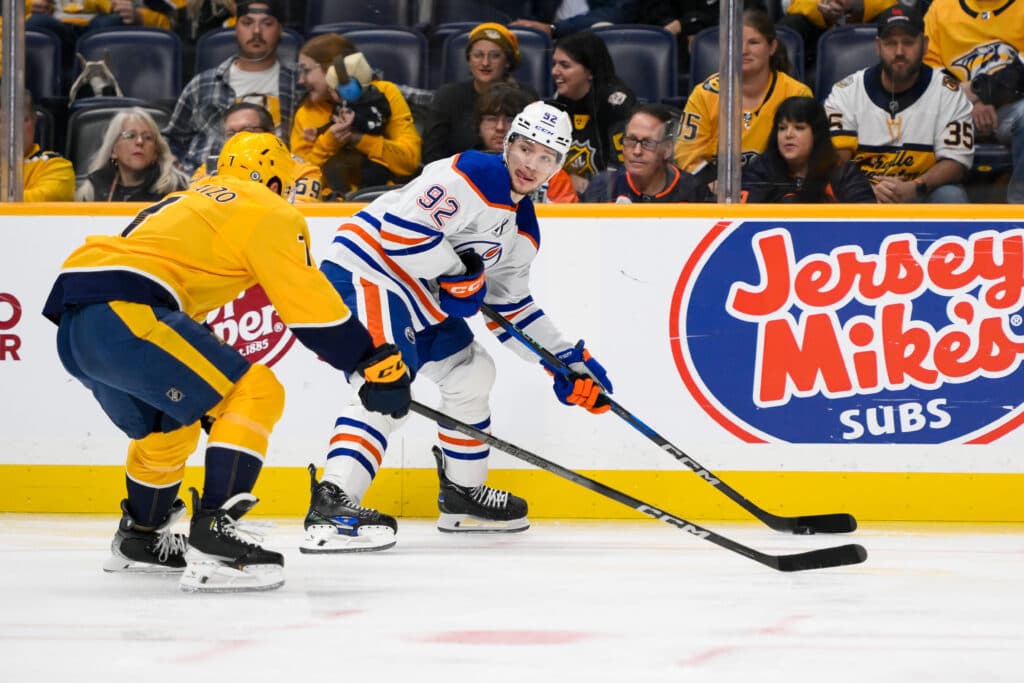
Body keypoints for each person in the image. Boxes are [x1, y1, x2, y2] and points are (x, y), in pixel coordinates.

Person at [41, 132, 412, 592]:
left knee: (169, 425)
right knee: (256, 389)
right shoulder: (267, 209)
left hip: (77, 321)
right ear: (275, 179)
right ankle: (215, 535)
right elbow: (311, 307)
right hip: (126, 310)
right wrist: (372, 361)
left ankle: (140, 536)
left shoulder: (193, 198)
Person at [303, 101, 614, 553]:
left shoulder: (524, 231)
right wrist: (457, 271)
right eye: (525, 148)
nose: (531, 164)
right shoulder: (469, 176)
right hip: (370, 270)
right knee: (388, 378)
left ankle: (463, 496)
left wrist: (566, 361)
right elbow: (401, 235)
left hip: (420, 300)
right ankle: (333, 505)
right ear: (508, 144)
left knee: (472, 372)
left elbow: (512, 310)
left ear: (558, 166)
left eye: (546, 157)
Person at [824, 5, 974, 203]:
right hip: (861, 193)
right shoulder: (846, 92)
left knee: (951, 196)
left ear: (925, 44)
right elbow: (836, 160)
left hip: (921, 191)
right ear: (878, 46)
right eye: (890, 43)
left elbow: (956, 163)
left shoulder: (949, 93)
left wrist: (916, 186)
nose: (899, 51)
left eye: (908, 42)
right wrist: (863, 189)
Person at [674, 8, 811, 187]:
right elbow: (687, 153)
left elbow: (804, 158)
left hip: (776, 193)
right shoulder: (705, 93)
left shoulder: (796, 94)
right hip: (714, 193)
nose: (743, 50)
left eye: (753, 42)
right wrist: (711, 183)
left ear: (772, 47)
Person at [163, 0, 300, 175]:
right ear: (236, 28)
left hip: (274, 182)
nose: (256, 31)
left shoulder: (298, 82)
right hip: (206, 183)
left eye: (267, 23)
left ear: (280, 29)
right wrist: (174, 163)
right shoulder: (203, 83)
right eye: (247, 23)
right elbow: (172, 138)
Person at [292, 33, 421, 197]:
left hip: (381, 200)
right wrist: (329, 141)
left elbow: (409, 161)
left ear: (334, 69)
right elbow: (300, 181)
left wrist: (359, 139)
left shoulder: (384, 94)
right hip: (329, 207)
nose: (300, 80)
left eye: (306, 70)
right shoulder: (306, 113)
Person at [922, 0, 1024, 203]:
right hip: (953, 108)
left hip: (1010, 106)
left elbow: (1021, 73)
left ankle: (1020, 209)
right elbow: (926, 70)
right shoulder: (941, 8)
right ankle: (946, 202)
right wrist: (971, 103)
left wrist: (984, 94)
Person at [421, 22, 536, 165]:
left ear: (507, 61)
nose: (485, 63)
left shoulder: (525, 98)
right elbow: (432, 155)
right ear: (469, 60)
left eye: (495, 56)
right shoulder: (448, 96)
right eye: (478, 55)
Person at [551, 30, 637, 197]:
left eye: (565, 65)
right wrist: (566, 179)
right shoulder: (557, 103)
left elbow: (623, 170)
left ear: (590, 71)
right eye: (554, 64)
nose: (555, 71)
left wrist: (594, 188)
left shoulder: (616, 104)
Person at [742, 96, 876, 203]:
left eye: (799, 128)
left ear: (817, 135)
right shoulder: (760, 172)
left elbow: (866, 224)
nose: (788, 134)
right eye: (782, 128)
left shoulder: (844, 175)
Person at [192, 101, 330, 202]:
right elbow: (193, 204)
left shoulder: (302, 171)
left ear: (271, 134)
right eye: (231, 133)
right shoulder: (209, 169)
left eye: (247, 131)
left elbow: (302, 211)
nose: (238, 138)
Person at [474, 83, 577, 203]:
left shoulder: (554, 178)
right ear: (478, 124)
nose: (500, 127)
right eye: (491, 119)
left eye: (509, 119)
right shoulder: (468, 168)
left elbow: (569, 219)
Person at [604, 103, 711, 202]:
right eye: (631, 140)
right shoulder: (602, 188)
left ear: (667, 149)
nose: (637, 151)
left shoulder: (695, 192)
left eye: (648, 143)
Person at [76, 108, 189, 202]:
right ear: (113, 150)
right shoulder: (93, 190)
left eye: (148, 137)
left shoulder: (176, 190)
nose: (140, 142)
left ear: (155, 152)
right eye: (130, 135)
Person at [20, 89, 75, 202]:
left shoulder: (56, 166)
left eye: (21, 119)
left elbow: (40, 201)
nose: (8, 128)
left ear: (34, 121)